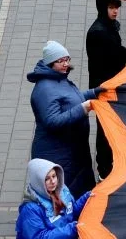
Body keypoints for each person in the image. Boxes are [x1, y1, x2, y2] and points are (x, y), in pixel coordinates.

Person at [26, 41, 99, 197]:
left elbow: (71, 99)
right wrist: (83, 108)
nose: (66, 64)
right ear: (50, 63)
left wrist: (94, 93)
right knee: (65, 195)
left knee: (79, 192)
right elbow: (53, 121)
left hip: (71, 150)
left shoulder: (58, 78)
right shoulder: (45, 89)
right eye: (60, 61)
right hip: (58, 154)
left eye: (67, 59)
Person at [86, 0, 126, 179]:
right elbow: (116, 55)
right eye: (111, 7)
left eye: (117, 7)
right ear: (102, 8)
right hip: (104, 88)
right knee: (105, 130)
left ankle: (108, 165)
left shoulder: (109, 26)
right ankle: (104, 170)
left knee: (109, 127)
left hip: (111, 85)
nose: (115, 11)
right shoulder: (99, 33)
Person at [16, 159, 90, 239]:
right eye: (47, 179)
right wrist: (72, 229)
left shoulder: (62, 191)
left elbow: (71, 212)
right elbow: (40, 237)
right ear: (38, 182)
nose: (53, 181)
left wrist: (85, 199)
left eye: (54, 176)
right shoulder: (30, 209)